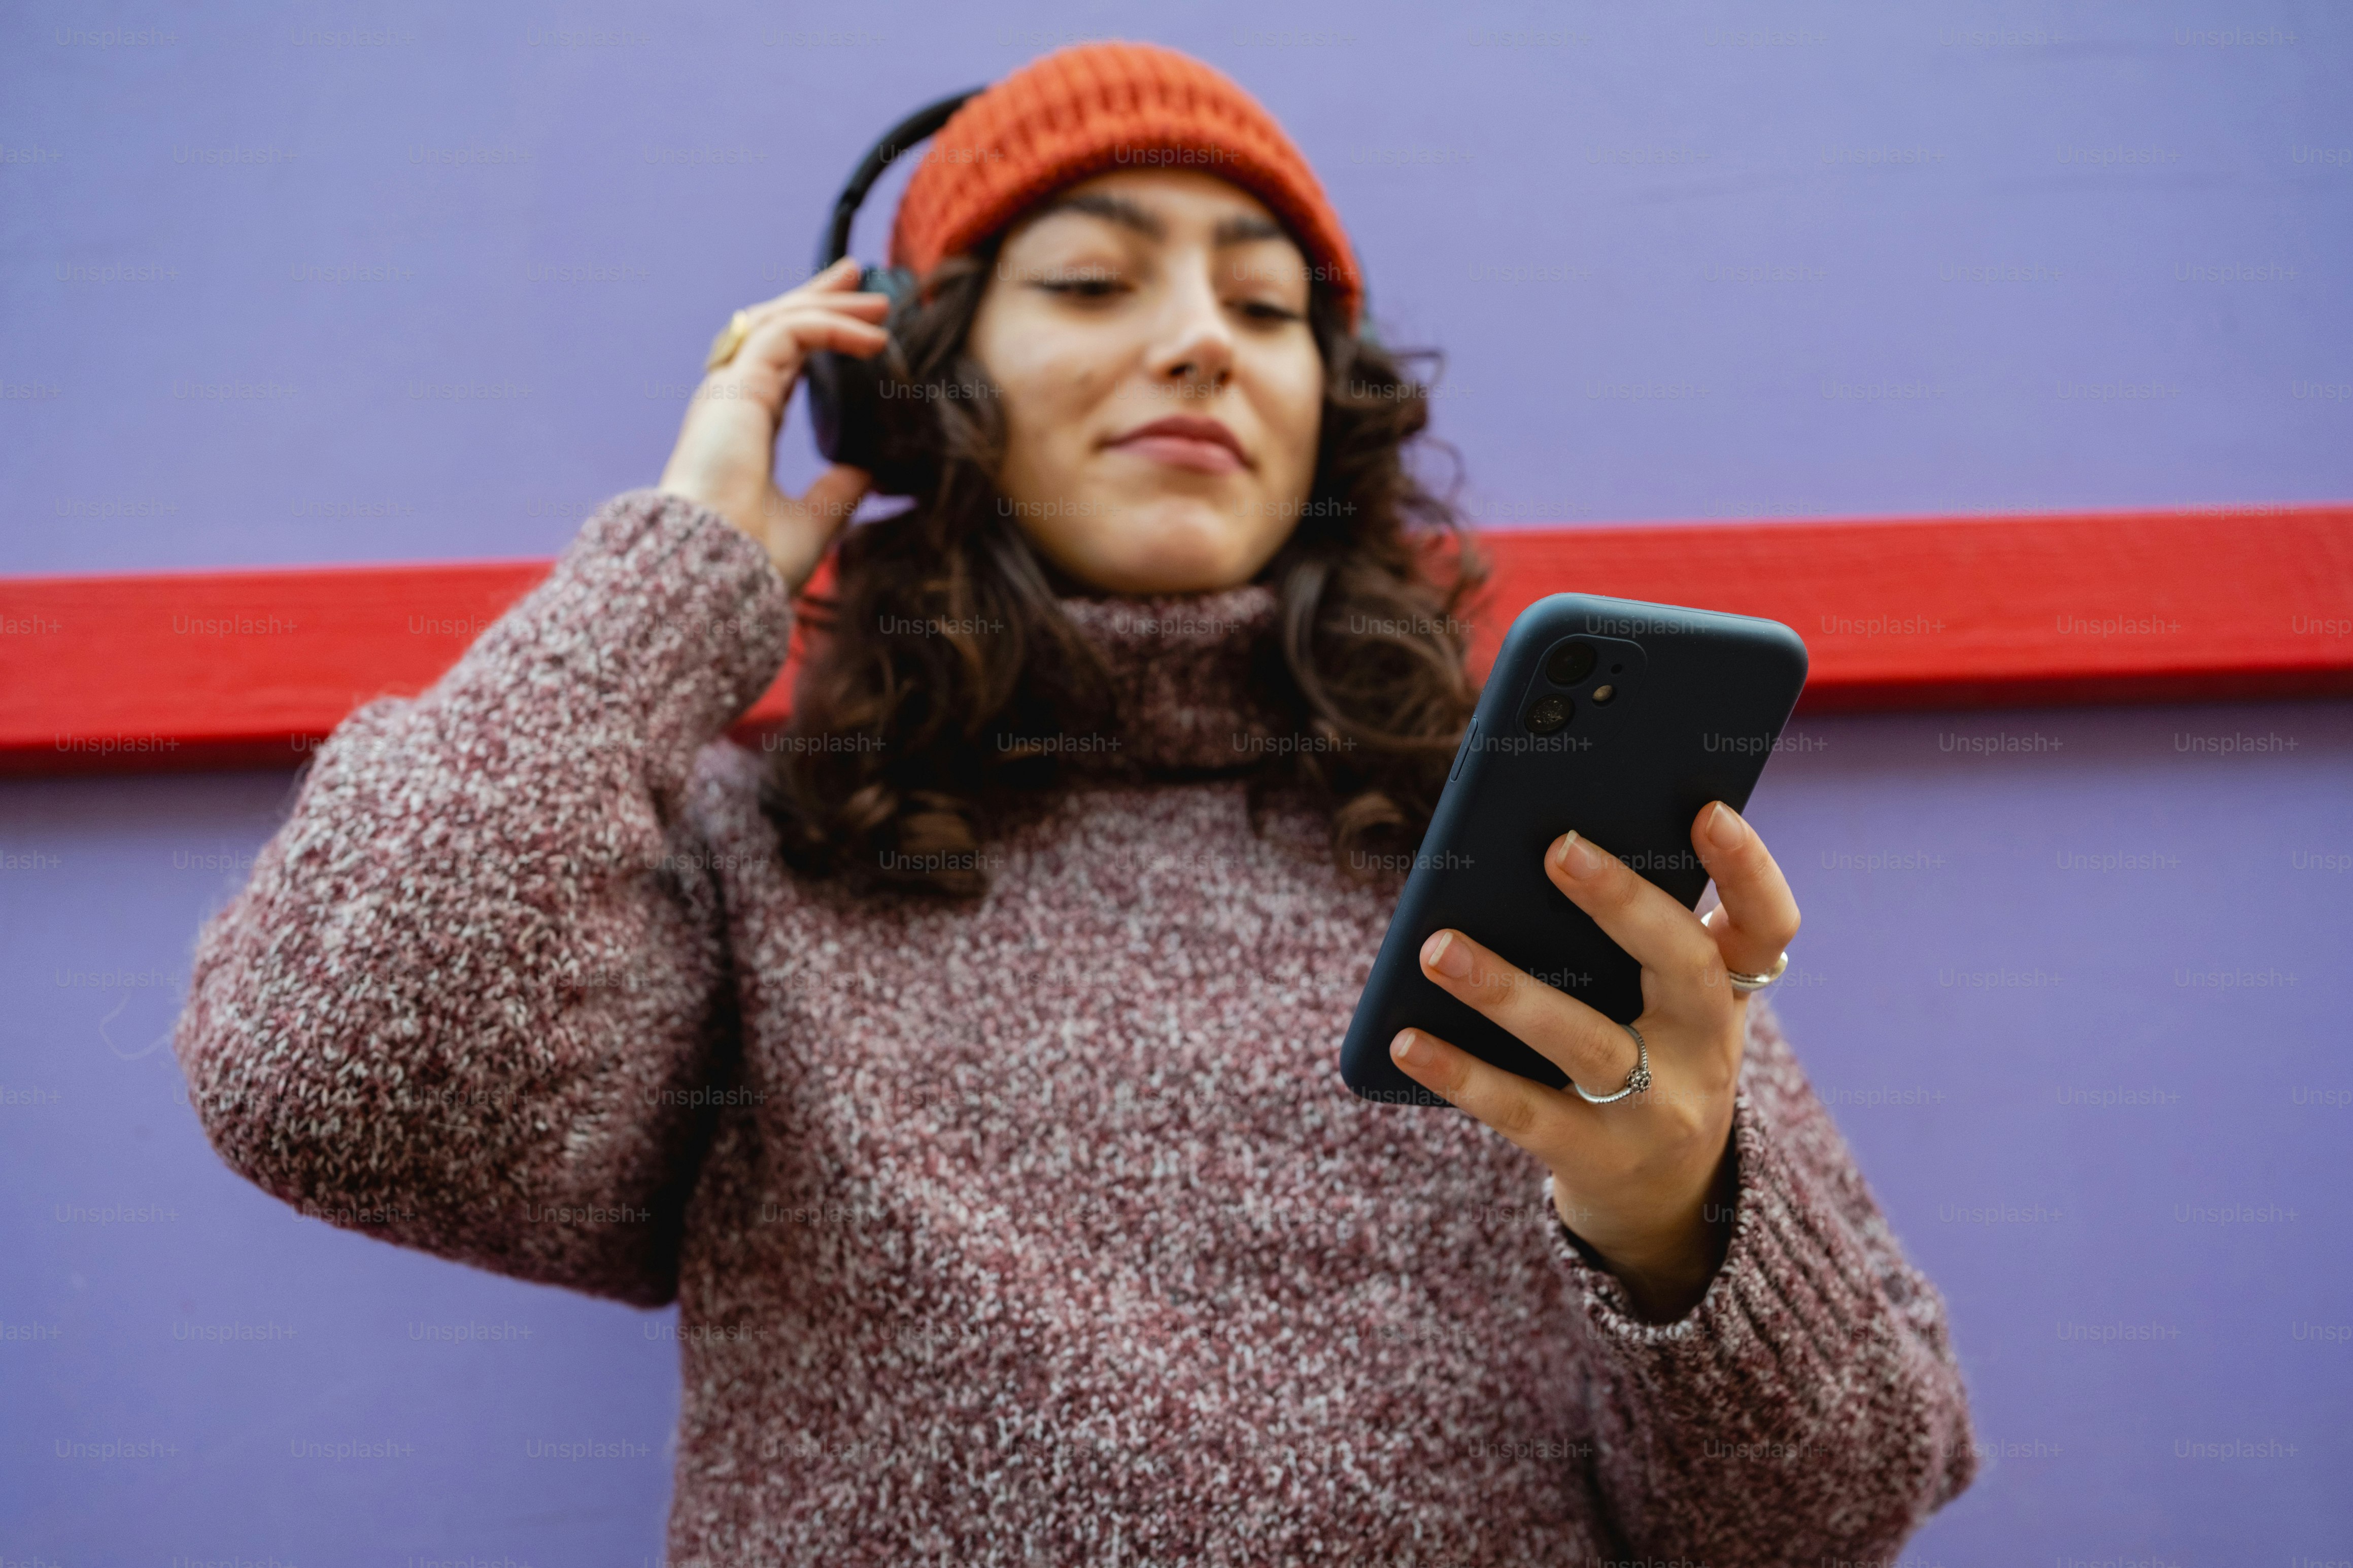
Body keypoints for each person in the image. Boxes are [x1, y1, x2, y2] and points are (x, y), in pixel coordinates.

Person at [175, 40, 1976, 1565]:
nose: (1205, 343)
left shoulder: (1525, 847)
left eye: (1266, 308)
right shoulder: (750, 847)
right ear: (918, 397)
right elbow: (327, 1073)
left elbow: (1838, 1499)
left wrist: (1675, 1221)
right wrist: (675, 580)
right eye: (1096, 282)